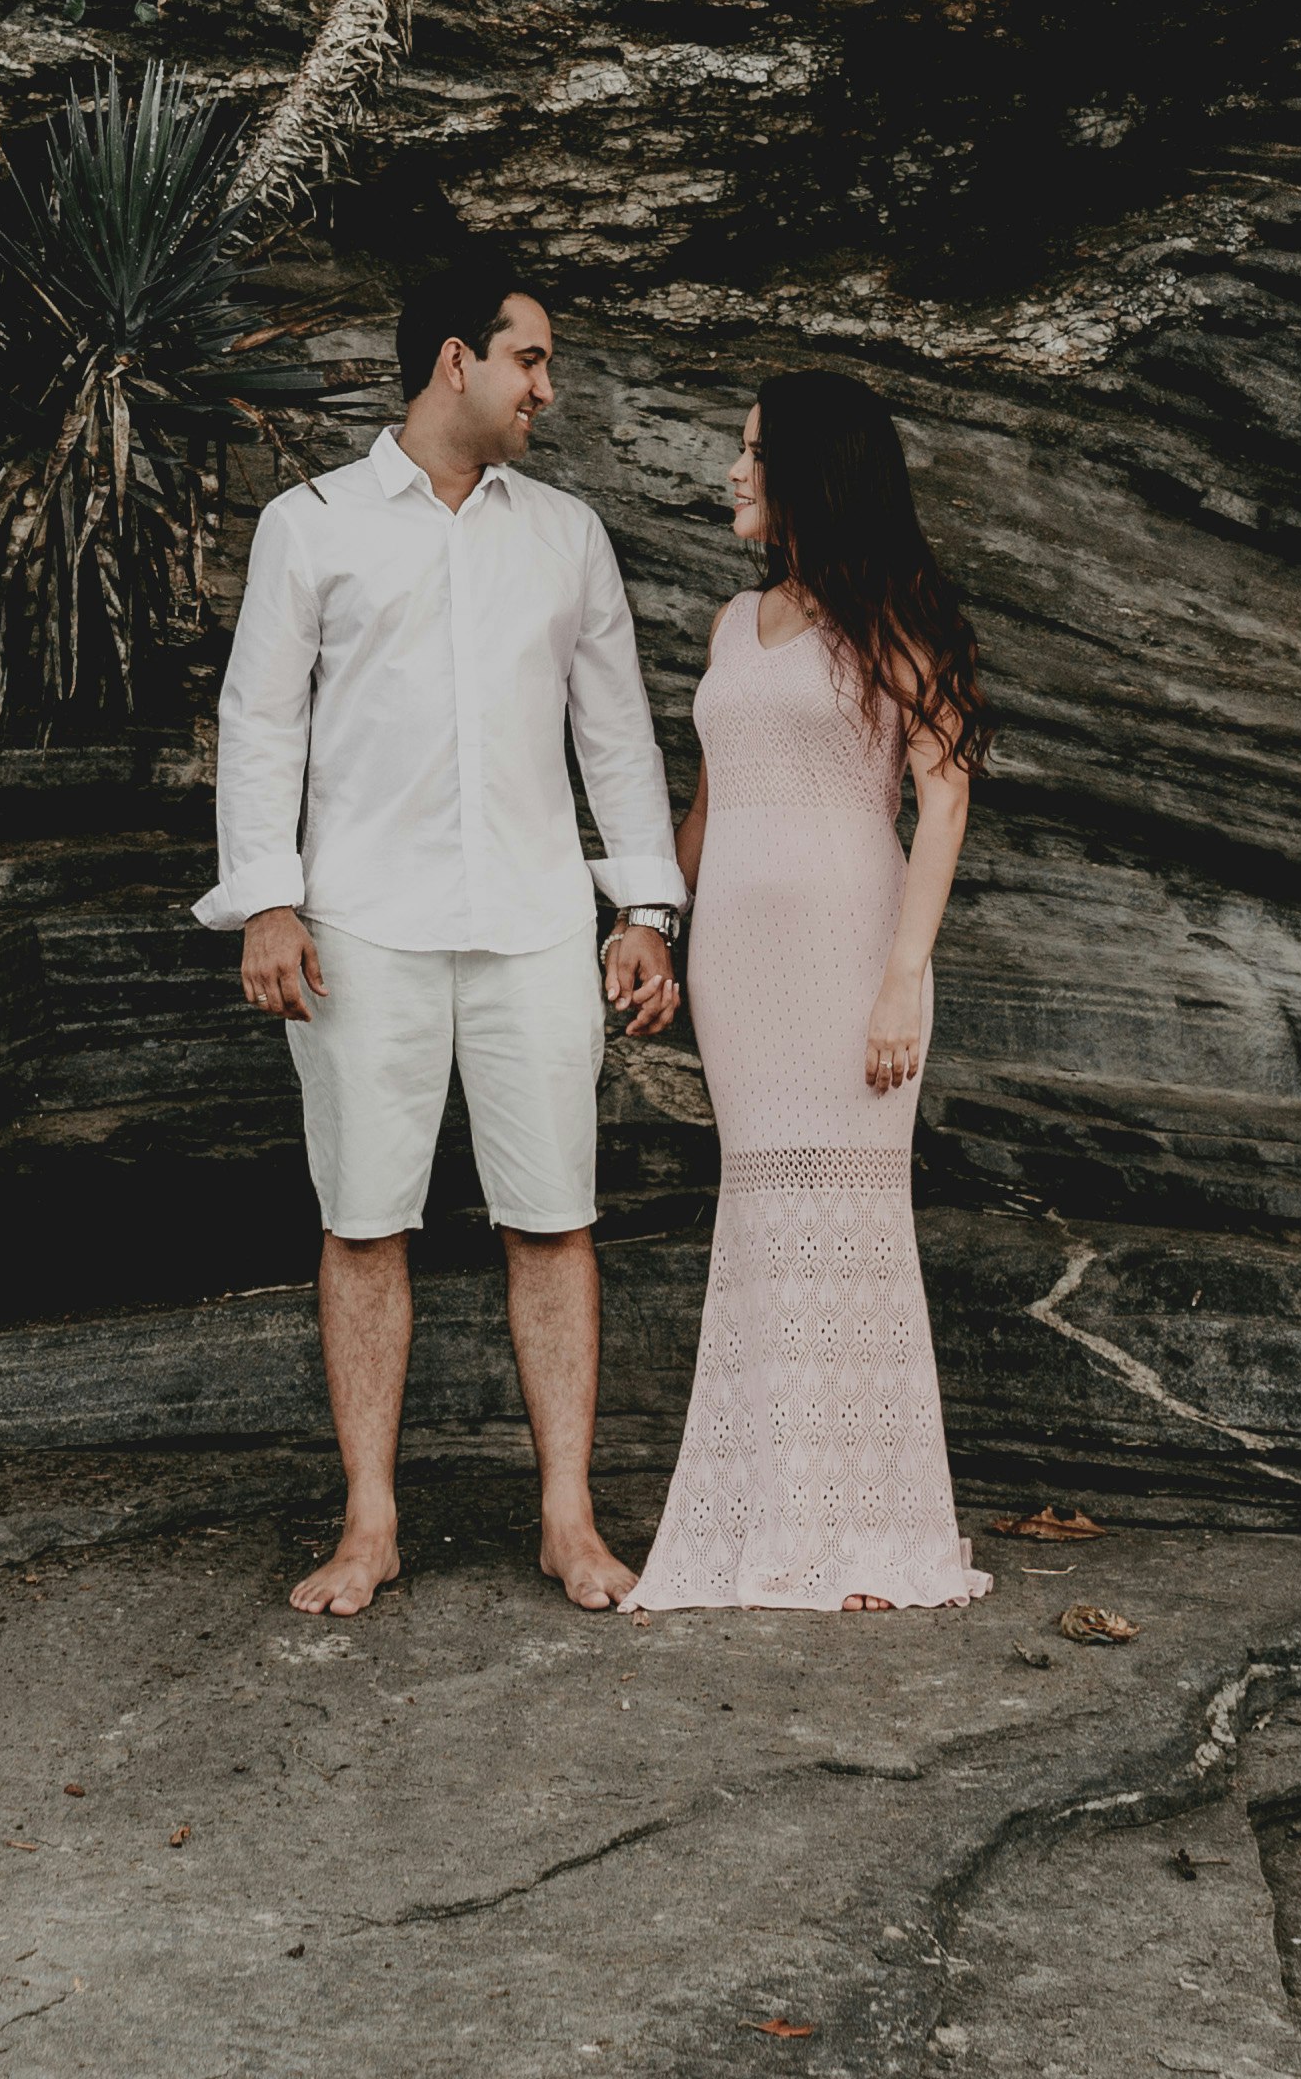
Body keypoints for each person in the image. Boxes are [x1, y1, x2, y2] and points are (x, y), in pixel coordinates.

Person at [205, 251, 684, 1619]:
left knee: (555, 1222)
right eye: (530, 358)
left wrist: (644, 910)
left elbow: (616, 736)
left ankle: (568, 1521)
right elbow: (261, 723)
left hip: (538, 925)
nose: (550, 385)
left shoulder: (566, 533)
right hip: (363, 932)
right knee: (364, 1224)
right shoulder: (311, 524)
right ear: (454, 363)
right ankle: (369, 1525)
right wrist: (269, 899)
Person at [626, 369, 995, 1616]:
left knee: (851, 1225)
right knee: (767, 1221)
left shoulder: (886, 615)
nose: (731, 472)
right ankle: (775, 1524)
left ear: (813, 474)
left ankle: (866, 1534)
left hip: (853, 957)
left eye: (753, 453)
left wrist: (903, 977)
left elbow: (944, 798)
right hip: (741, 965)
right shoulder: (736, 627)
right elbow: (709, 800)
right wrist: (658, 933)